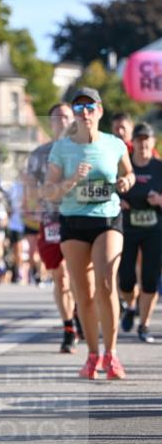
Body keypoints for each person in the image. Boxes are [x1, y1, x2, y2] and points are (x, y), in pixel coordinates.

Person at [45, 87, 135, 379]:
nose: (84, 113)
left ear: (100, 111)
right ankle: (93, 355)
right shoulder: (62, 148)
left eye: (90, 107)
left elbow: (129, 172)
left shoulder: (114, 144)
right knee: (83, 293)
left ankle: (112, 354)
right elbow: (49, 191)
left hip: (107, 219)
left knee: (106, 282)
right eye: (79, 108)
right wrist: (72, 180)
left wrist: (127, 182)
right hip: (73, 222)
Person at [27, 102, 81, 353]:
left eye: (67, 117)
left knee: (79, 275)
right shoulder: (39, 155)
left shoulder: (83, 149)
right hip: (52, 219)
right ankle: (68, 327)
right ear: (50, 123)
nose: (62, 121)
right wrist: (39, 198)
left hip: (79, 216)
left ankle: (80, 311)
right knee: (61, 276)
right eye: (57, 117)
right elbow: (30, 188)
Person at [118, 122, 162, 343]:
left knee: (150, 279)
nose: (143, 144)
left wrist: (160, 200)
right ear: (132, 143)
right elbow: (109, 189)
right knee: (126, 280)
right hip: (127, 228)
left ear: (153, 142)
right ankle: (130, 305)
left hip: (155, 229)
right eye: (139, 140)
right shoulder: (124, 166)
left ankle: (144, 325)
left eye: (147, 140)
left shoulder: (159, 167)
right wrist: (118, 201)